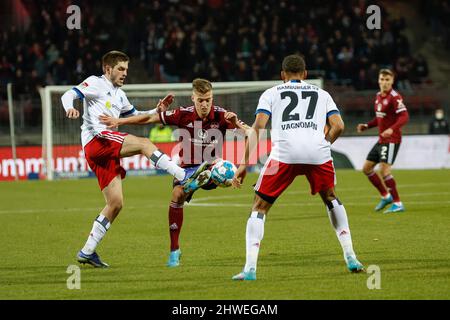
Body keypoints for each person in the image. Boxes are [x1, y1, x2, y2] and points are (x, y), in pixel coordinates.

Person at [60, 51, 207, 268]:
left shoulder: (120, 94)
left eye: (126, 69)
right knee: (144, 144)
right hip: (97, 139)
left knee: (115, 203)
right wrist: (70, 107)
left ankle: (87, 251)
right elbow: (67, 95)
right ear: (107, 69)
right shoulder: (95, 83)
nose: (125, 73)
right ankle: (182, 174)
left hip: (104, 151)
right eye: (120, 69)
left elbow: (135, 115)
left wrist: (157, 110)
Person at [231, 54, 364, 281]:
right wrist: (323, 144)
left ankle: (250, 268)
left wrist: (244, 164)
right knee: (331, 198)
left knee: (259, 206)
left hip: (285, 154)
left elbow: (258, 128)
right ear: (305, 74)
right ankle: (351, 256)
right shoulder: (322, 94)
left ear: (283, 75)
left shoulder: (271, 93)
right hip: (317, 153)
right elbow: (339, 126)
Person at [99, 78, 249, 267]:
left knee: (219, 168)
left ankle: (205, 176)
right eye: (200, 100)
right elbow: (149, 118)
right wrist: (119, 120)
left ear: (213, 98)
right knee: (177, 195)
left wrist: (238, 124)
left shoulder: (222, 116)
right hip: (186, 169)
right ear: (193, 98)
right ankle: (174, 251)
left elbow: (252, 133)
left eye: (208, 100)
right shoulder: (182, 114)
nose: (204, 104)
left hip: (212, 166)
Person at [357, 69, 409, 213]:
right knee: (366, 168)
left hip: (392, 139)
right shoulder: (378, 96)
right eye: (382, 79)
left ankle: (398, 203)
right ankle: (386, 196)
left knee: (384, 170)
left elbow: (404, 116)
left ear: (392, 81)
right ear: (378, 80)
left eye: (388, 80)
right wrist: (367, 126)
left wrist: (392, 129)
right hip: (381, 139)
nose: (385, 82)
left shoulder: (395, 97)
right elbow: (379, 118)